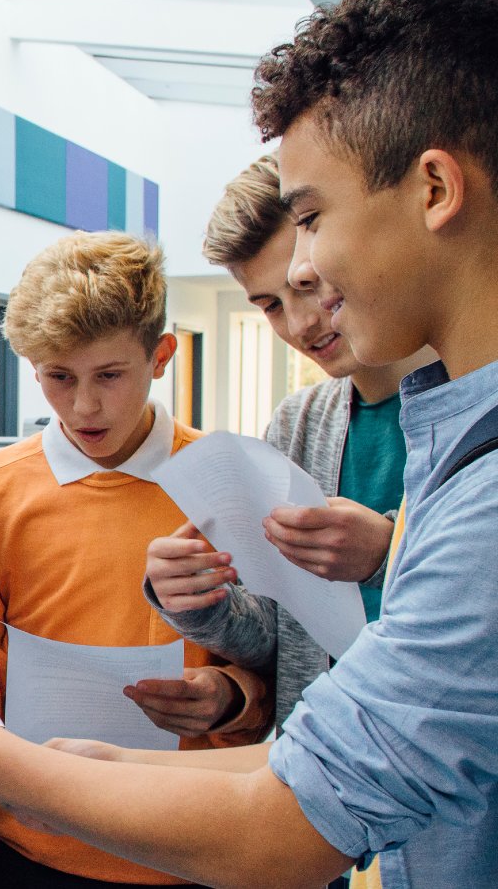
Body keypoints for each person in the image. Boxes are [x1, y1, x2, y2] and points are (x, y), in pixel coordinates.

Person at [0, 0, 498, 886]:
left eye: (310, 217)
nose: (304, 274)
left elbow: (290, 825)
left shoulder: (478, 498)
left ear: (433, 189)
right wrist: (94, 764)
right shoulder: (438, 449)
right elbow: (318, 758)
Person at [0, 230, 270, 887]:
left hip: (191, 850)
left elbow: (286, 666)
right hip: (32, 851)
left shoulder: (232, 480)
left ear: (161, 355)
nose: (84, 406)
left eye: (109, 376)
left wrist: (234, 697)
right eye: (58, 378)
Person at [147, 153, 434, 730]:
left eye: (310, 285)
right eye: (271, 305)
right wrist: (196, 601)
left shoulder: (469, 406)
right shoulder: (296, 425)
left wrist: (386, 554)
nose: (303, 324)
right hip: (324, 769)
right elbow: (280, 641)